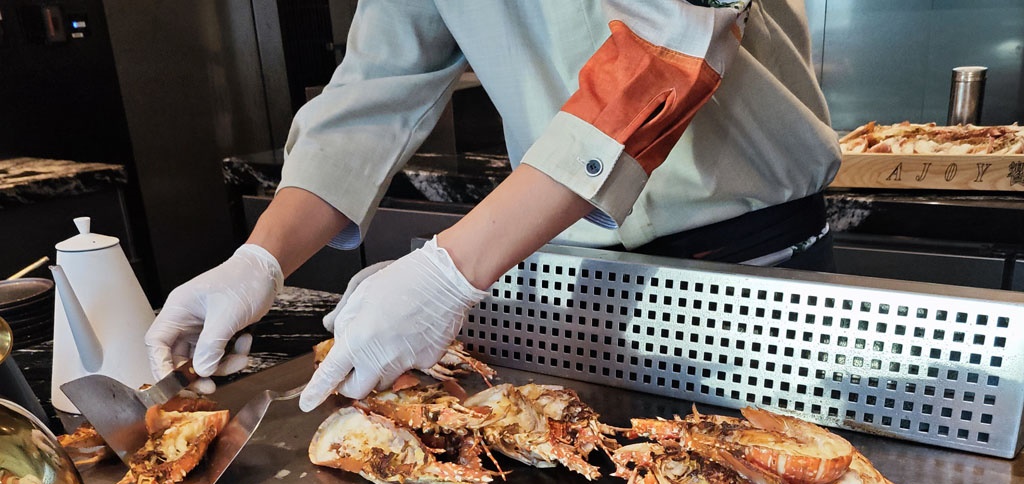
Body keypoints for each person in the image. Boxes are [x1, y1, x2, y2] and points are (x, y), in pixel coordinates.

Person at [145, 0, 841, 412]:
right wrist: (261, 258)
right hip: (568, 273)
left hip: (755, 271)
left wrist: (451, 270)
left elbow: (669, 49)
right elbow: (375, 85)